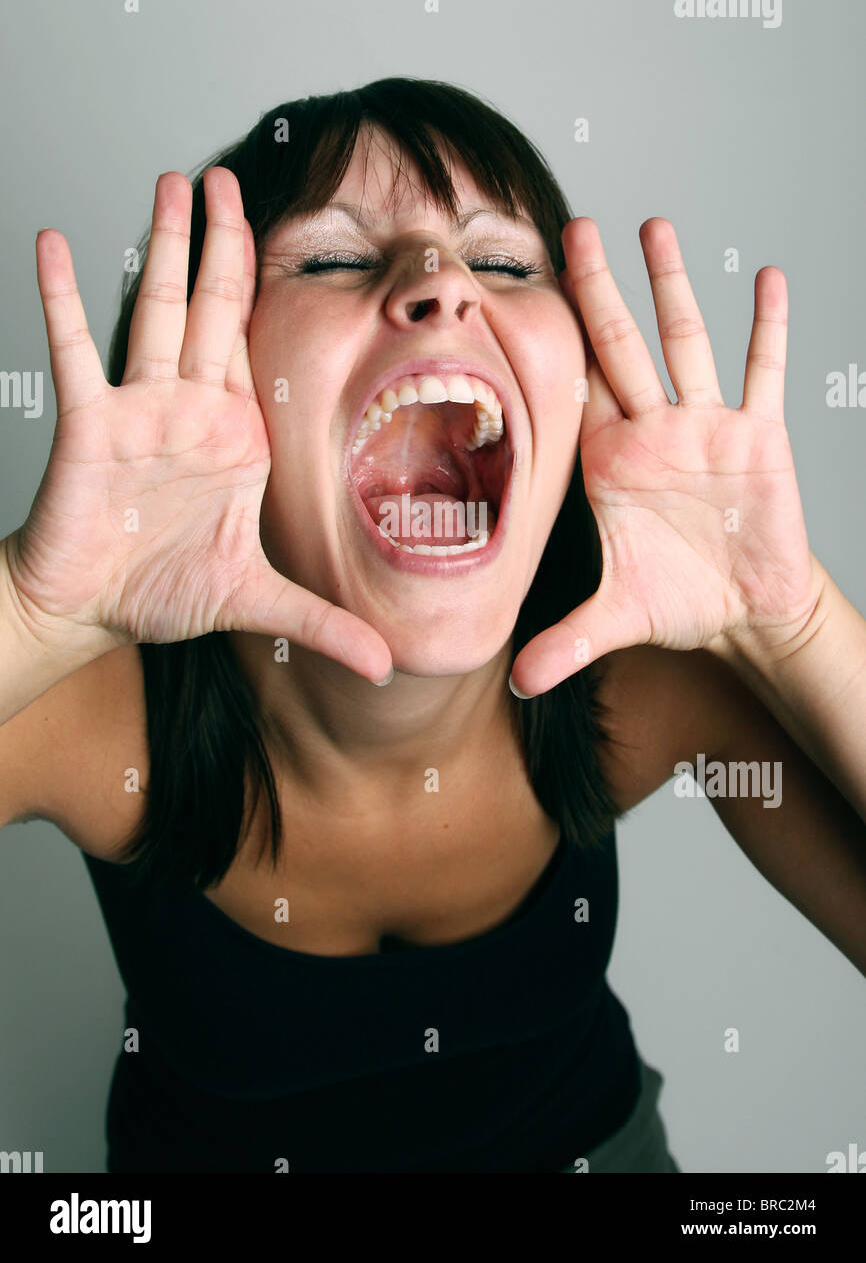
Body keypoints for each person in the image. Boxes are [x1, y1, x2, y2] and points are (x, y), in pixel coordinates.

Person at [1, 78, 864, 1174]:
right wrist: (31, 609)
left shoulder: (638, 674)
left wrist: (788, 624)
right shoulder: (90, 711)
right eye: (331, 258)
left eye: (503, 263)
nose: (438, 280)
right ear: (208, 369)